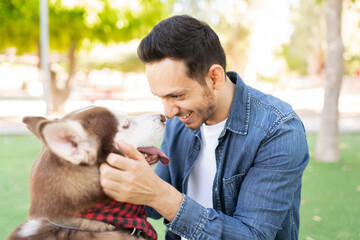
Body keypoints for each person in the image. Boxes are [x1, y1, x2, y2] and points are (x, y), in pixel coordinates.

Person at [100, 15, 309, 240]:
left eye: (176, 95)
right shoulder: (181, 122)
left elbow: (253, 235)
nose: (168, 112)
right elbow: (151, 203)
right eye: (161, 97)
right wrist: (129, 173)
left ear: (215, 78)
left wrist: (158, 194)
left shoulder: (278, 130)